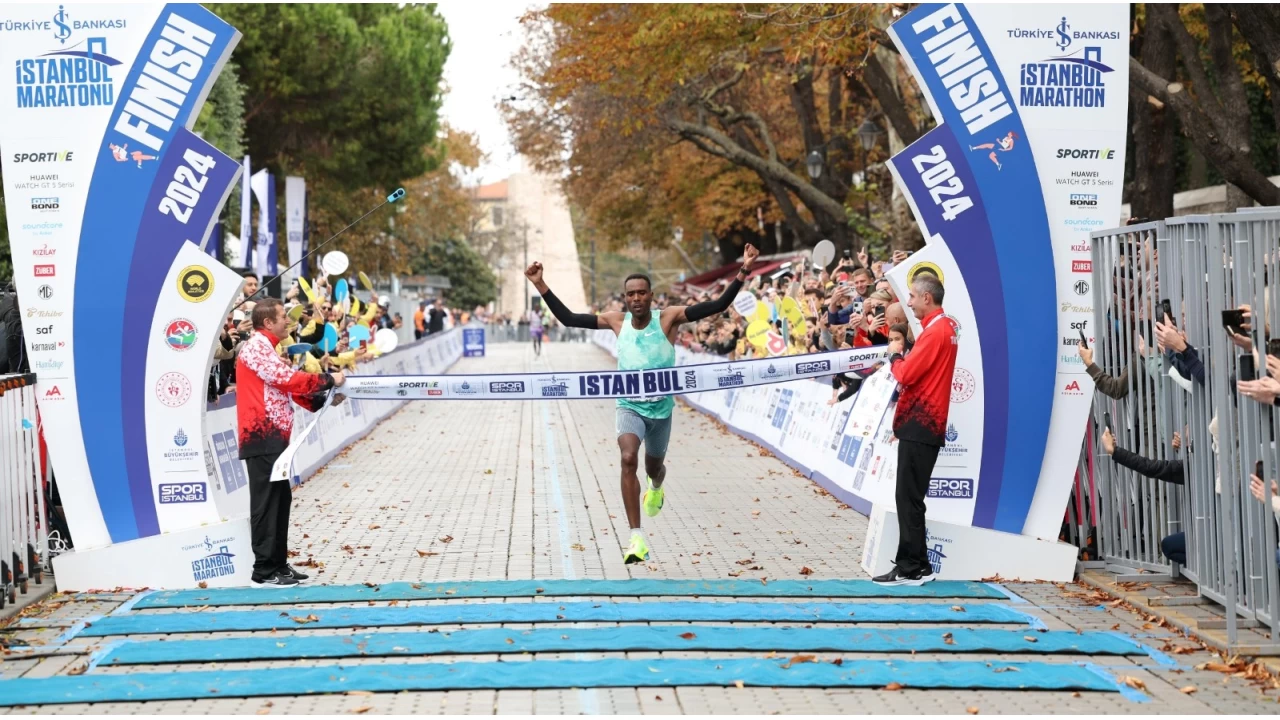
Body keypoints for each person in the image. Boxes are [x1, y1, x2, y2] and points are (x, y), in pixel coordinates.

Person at [525, 243, 761, 564]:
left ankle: (657, 485)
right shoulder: (615, 321)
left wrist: (744, 269)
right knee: (627, 458)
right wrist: (540, 284)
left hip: (661, 411)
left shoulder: (668, 319)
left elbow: (718, 304)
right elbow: (568, 318)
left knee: (654, 467)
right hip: (629, 407)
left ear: (652, 296)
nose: (636, 298)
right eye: (630, 294)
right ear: (625, 298)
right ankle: (636, 538)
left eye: (641, 293)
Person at [236, 298, 346, 587]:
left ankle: (278, 565)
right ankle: (263, 571)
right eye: (283, 316)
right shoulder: (256, 347)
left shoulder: (269, 348)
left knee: (280, 500)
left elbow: (286, 388)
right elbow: (287, 379)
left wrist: (323, 399)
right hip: (261, 436)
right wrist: (329, 379)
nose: (289, 320)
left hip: (275, 437)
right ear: (268, 322)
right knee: (265, 503)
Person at [874, 274, 959, 586]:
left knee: (908, 498)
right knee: (911, 497)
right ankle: (918, 565)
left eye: (911, 296)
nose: (908, 302)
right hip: (927, 423)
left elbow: (906, 374)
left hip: (921, 423)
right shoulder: (946, 327)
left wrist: (895, 355)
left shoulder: (936, 331)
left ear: (927, 298)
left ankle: (911, 567)